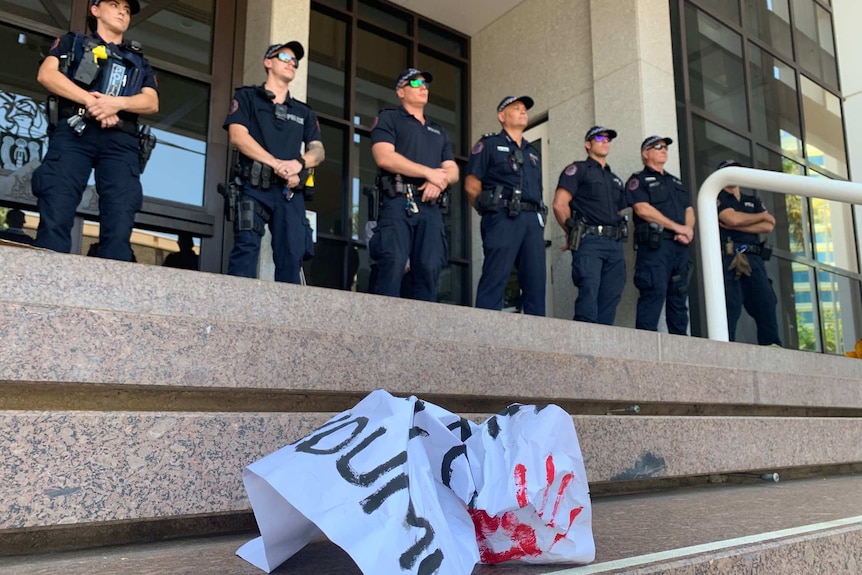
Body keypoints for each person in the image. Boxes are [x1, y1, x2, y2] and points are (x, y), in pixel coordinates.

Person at [31, 0, 159, 261]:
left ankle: (114, 290)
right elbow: (47, 75)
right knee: (57, 202)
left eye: (127, 8)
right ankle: (47, 282)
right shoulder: (72, 42)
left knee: (120, 214)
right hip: (74, 132)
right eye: (114, 4)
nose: (123, 11)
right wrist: (92, 101)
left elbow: (151, 102)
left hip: (121, 141)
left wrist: (116, 104)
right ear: (95, 10)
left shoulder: (139, 60)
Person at [224, 41, 325, 284]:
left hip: (289, 192)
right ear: (267, 62)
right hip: (253, 187)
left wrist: (299, 163)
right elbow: (238, 136)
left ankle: (287, 319)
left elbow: (318, 150)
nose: (292, 62)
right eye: (284, 57)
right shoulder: (247, 96)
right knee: (246, 251)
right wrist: (276, 163)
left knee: (291, 256)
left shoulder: (304, 112)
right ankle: (236, 315)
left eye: (295, 61)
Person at [369, 68, 459, 302]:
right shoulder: (389, 118)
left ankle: (423, 333)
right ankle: (381, 329)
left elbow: (453, 170)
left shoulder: (438, 130)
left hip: (430, 207)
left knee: (430, 268)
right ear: (400, 91)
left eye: (426, 84)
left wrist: (439, 183)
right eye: (416, 82)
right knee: (393, 263)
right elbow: (384, 157)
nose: (423, 87)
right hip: (399, 202)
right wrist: (430, 173)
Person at [465, 95, 545, 315]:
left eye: (524, 109)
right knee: (496, 275)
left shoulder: (532, 153)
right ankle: (484, 331)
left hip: (531, 218)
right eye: (516, 108)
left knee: (535, 280)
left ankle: (537, 338)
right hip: (503, 215)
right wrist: (490, 212)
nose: (522, 112)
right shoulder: (489, 144)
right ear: (502, 116)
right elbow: (472, 186)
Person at [553, 126, 627, 324]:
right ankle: (583, 345)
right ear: (588, 144)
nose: (605, 141)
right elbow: (560, 205)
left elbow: (619, 211)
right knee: (589, 288)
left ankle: (603, 349)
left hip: (614, 243)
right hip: (590, 240)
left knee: (611, 295)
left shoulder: (615, 179)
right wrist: (571, 233)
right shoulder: (578, 169)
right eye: (600, 137)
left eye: (608, 139)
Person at [627, 135, 695, 334]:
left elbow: (688, 210)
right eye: (657, 147)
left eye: (665, 147)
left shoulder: (675, 182)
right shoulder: (638, 180)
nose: (663, 149)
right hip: (655, 248)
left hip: (679, 247)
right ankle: (645, 350)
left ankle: (681, 350)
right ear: (645, 153)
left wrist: (688, 231)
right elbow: (642, 209)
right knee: (653, 293)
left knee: (679, 298)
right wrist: (677, 227)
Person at [715, 159, 781, 346]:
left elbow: (769, 225)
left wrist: (747, 221)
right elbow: (731, 219)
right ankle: (726, 345)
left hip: (754, 257)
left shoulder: (752, 200)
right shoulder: (718, 196)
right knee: (731, 303)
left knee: (766, 301)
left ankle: (771, 344)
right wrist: (760, 217)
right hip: (730, 256)